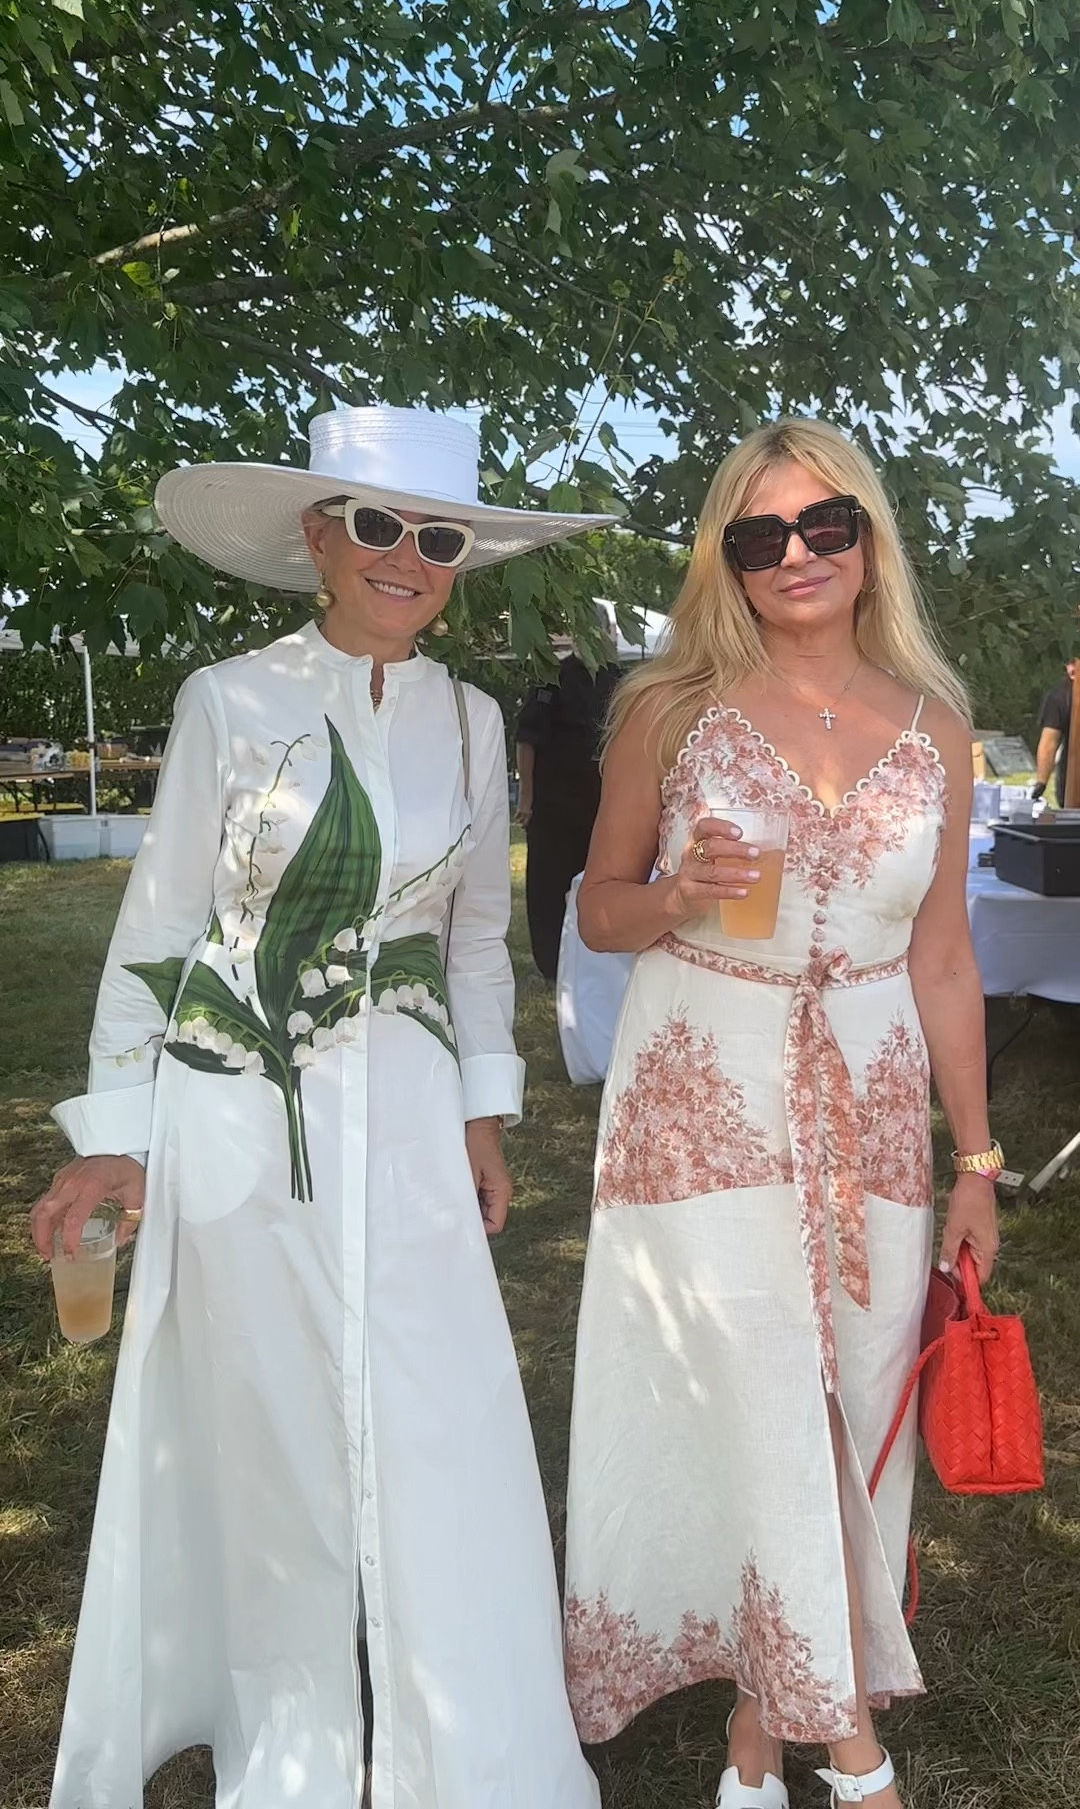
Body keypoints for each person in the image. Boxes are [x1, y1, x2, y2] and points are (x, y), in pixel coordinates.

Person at [30, 406, 611, 1809]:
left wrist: (483, 1116)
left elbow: (475, 944)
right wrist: (116, 1138)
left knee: (439, 1420)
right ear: (320, 537)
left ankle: (465, 1754)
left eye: (438, 536)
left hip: (408, 1119)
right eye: (377, 525)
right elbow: (163, 926)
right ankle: (287, 1752)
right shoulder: (228, 701)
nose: (407, 557)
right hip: (239, 1113)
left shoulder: (474, 722)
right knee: (268, 1431)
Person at [562, 419, 1001, 1809]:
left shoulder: (936, 726)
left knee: (853, 1399)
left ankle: (755, 1753)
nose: (795, 553)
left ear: (868, 538)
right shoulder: (669, 708)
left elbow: (945, 958)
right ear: (726, 560)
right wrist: (676, 893)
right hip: (704, 1085)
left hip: (873, 1093)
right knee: (757, 1401)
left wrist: (979, 1160)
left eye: (825, 524)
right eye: (760, 535)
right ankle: (854, 1752)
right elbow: (598, 909)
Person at [515, 642, 622, 981]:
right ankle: (550, 964)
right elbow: (527, 739)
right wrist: (526, 798)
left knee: (603, 887)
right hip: (554, 808)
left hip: (603, 808)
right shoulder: (552, 677)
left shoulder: (621, 681)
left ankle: (598, 963)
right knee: (548, 888)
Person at [1034, 657, 1077, 807]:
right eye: (1070, 663)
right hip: (1072, 784)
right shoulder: (1060, 696)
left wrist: (1041, 784)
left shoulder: (1060, 696)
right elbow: (1049, 743)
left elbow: (1049, 743)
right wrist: (1041, 784)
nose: (1072, 669)